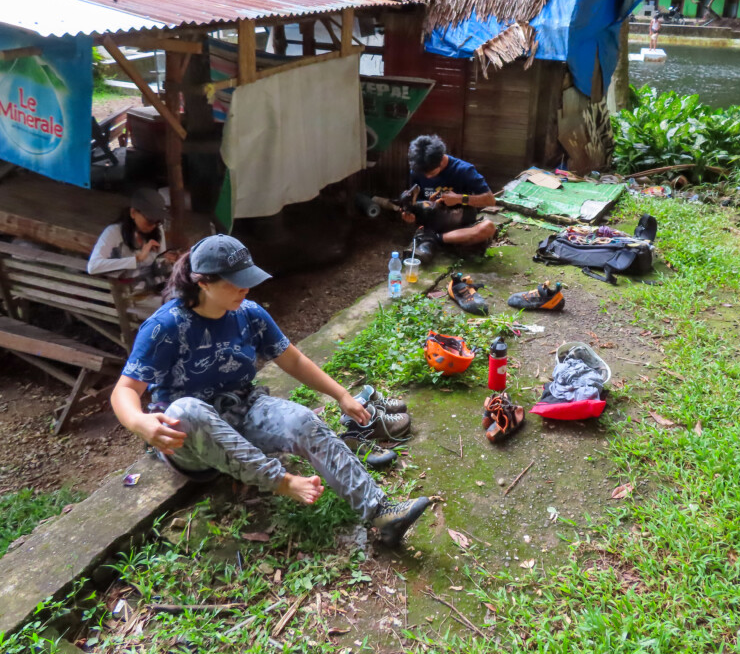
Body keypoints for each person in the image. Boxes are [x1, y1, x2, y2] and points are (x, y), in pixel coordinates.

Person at [109, 234, 430, 546]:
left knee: (303, 420)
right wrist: (140, 423)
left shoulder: (249, 314)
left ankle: (381, 512)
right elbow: (125, 390)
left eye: (247, 279)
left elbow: (294, 360)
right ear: (203, 282)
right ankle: (281, 481)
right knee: (185, 410)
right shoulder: (165, 326)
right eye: (235, 282)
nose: (245, 289)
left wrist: (342, 395)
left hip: (243, 412)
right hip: (192, 441)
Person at [405, 135, 496, 263]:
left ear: (441, 159)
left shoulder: (464, 170)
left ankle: (434, 240)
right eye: (424, 174)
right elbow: (418, 205)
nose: (427, 177)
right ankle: (436, 242)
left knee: (488, 228)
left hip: (462, 227)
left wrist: (459, 199)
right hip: (433, 224)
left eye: (431, 173)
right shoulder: (418, 171)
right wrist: (412, 215)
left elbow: (490, 200)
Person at [87, 188, 170, 292]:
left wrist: (169, 260)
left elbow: (160, 266)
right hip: (121, 293)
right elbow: (93, 267)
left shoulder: (158, 230)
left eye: (158, 221)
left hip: (149, 290)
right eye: (149, 220)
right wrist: (136, 259)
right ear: (133, 213)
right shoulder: (114, 232)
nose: (153, 225)